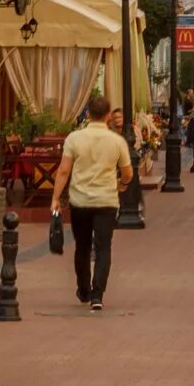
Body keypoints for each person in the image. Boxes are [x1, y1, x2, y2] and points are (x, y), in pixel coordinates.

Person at [51, 95, 133, 309]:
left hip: (81, 200)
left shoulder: (74, 139)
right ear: (108, 116)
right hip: (106, 200)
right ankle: (98, 294)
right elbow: (128, 172)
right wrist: (121, 184)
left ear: (88, 113)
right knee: (104, 247)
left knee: (82, 246)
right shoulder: (117, 141)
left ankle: (84, 289)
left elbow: (64, 171)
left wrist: (56, 198)